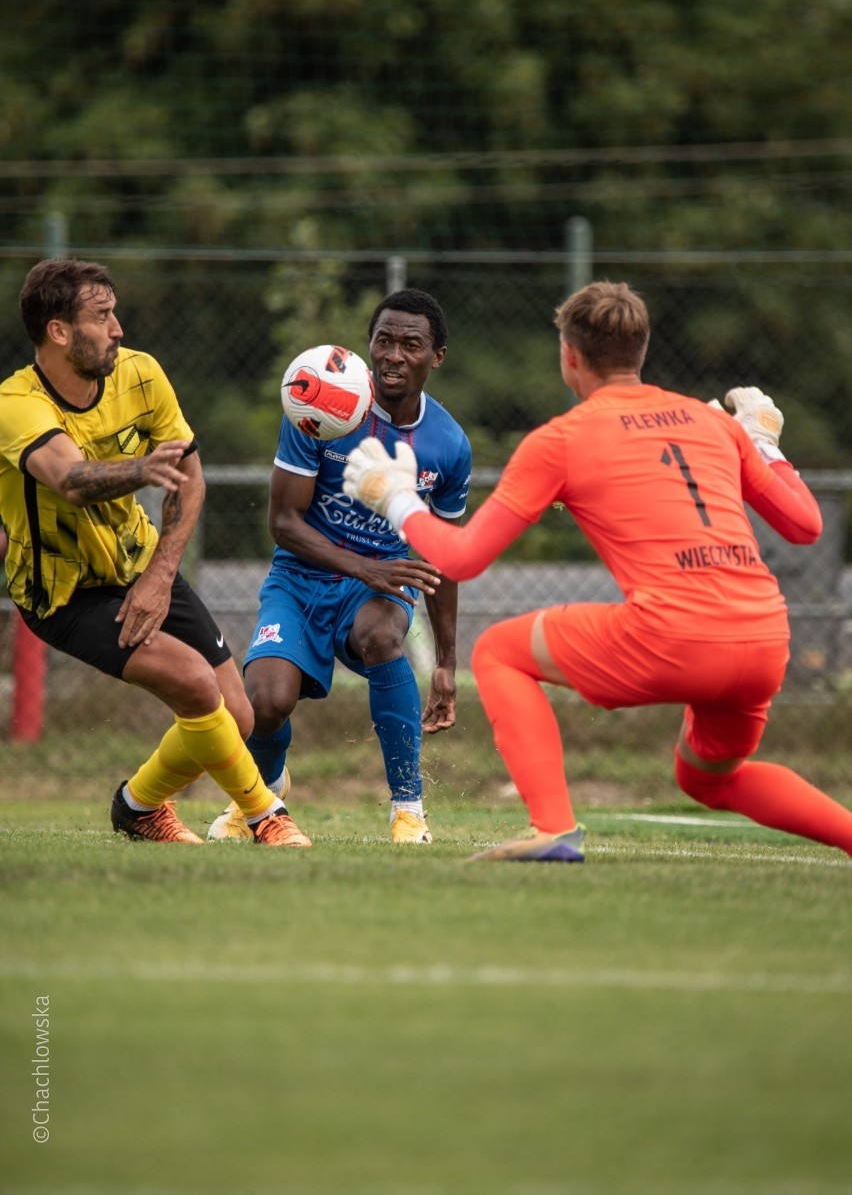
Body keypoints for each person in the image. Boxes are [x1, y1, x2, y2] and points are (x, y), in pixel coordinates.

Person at [343, 280, 852, 862]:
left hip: (676, 636)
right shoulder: (710, 422)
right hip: (763, 640)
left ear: (570, 356)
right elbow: (806, 525)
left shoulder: (562, 439)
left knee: (500, 653)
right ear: (642, 351)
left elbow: (460, 558)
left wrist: (398, 499)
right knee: (708, 779)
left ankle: (554, 829)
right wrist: (764, 447)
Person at [0, 258, 311, 847]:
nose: (118, 327)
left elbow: (191, 477)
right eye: (102, 315)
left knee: (237, 717)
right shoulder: (15, 404)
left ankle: (138, 806)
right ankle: (266, 815)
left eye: (116, 312)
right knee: (195, 683)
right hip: (64, 591)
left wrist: (162, 572)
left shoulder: (141, 374)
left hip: (142, 565)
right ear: (60, 331)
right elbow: (69, 478)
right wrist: (142, 468)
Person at [207, 288, 472, 844]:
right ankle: (265, 795)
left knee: (381, 634)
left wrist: (447, 661)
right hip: (302, 577)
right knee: (265, 703)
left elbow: (443, 556)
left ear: (437, 355)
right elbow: (283, 522)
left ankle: (408, 812)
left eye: (411, 344)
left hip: (378, 589)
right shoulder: (322, 405)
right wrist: (362, 566)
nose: (393, 355)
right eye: (383, 341)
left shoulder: (448, 444)